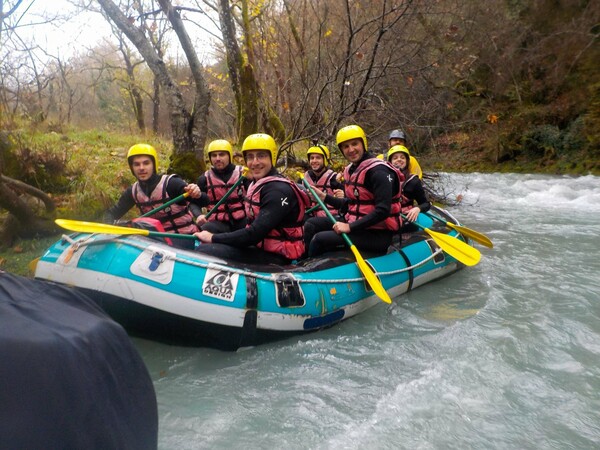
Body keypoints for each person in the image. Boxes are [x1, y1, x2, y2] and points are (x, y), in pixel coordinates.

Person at [194, 133, 310, 264]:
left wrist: (213, 238)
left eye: (261, 156)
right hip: (261, 246)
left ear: (272, 157)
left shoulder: (278, 190)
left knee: (205, 251)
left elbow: (254, 234)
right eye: (250, 157)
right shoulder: (258, 183)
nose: (255, 162)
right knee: (208, 244)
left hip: (277, 256)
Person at [304, 125, 404, 257]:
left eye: (354, 144)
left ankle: (310, 270)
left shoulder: (378, 171)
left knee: (320, 239)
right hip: (356, 224)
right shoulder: (352, 169)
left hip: (377, 234)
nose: (351, 149)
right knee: (311, 224)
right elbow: (351, 204)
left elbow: (383, 211)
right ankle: (302, 262)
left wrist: (349, 227)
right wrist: (324, 197)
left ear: (363, 144)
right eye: (345, 146)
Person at [103, 143, 201, 249]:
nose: (141, 168)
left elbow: (203, 200)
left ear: (153, 165)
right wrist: (109, 227)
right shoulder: (133, 191)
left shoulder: (172, 183)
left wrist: (196, 192)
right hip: (156, 238)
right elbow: (112, 213)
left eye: (146, 163)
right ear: (132, 168)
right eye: (137, 164)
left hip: (183, 237)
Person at [190, 139, 249, 234]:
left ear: (229, 156)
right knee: (204, 229)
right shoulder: (204, 179)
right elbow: (193, 203)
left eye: (222, 154)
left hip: (242, 220)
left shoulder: (244, 174)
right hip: (218, 223)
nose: (217, 158)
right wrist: (199, 215)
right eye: (214, 155)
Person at [387, 145, 431, 229]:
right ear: (390, 162)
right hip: (388, 219)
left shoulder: (413, 181)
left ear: (407, 161)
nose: (399, 159)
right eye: (395, 158)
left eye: (402, 158)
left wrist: (418, 208)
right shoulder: (384, 179)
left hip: (407, 220)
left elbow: (426, 204)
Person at [303, 144, 344, 218]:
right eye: (312, 158)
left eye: (318, 158)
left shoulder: (334, 178)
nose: (314, 161)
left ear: (325, 160)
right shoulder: (304, 178)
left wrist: (343, 194)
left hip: (329, 217)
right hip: (309, 214)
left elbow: (346, 201)